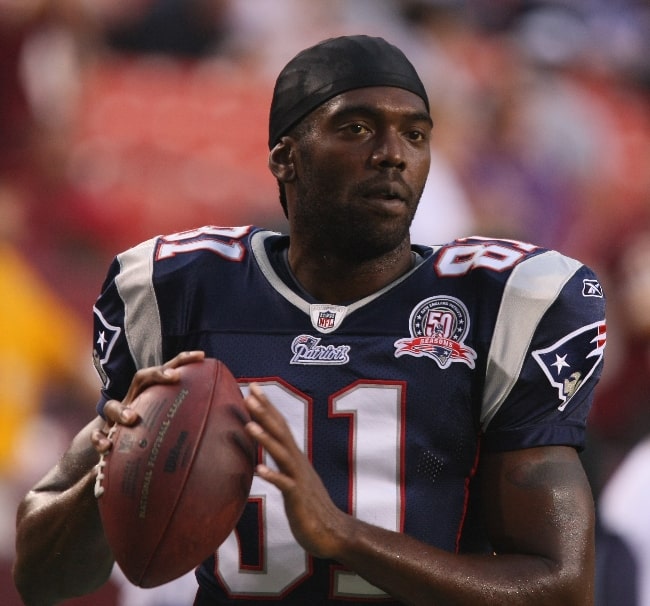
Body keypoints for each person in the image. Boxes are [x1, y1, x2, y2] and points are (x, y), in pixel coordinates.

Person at [13, 35, 607, 605]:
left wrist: (342, 535)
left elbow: (561, 590)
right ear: (285, 158)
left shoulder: (497, 305)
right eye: (356, 127)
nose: (392, 154)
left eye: (415, 133)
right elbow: (42, 579)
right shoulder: (178, 293)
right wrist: (111, 467)